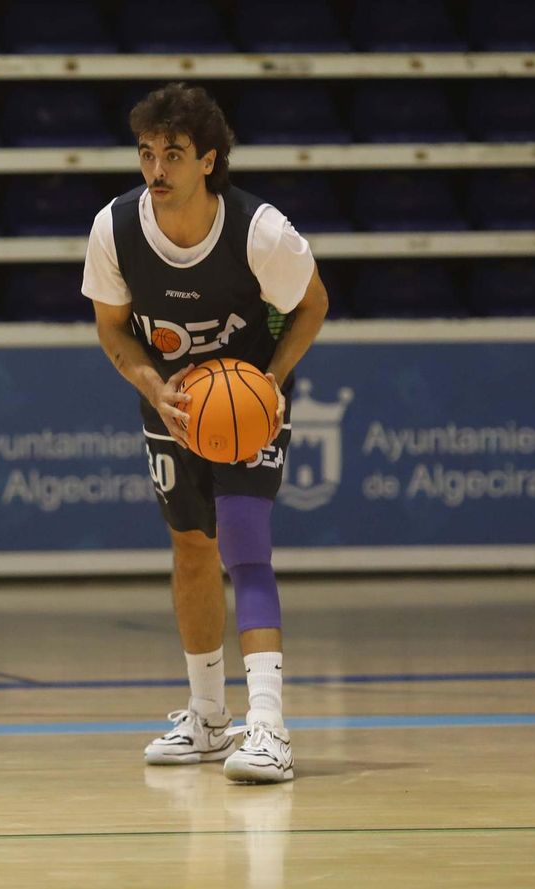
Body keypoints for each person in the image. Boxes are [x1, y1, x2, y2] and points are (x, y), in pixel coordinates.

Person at [81, 83, 329, 784]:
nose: (156, 169)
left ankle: (270, 726)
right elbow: (111, 328)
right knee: (191, 547)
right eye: (146, 153)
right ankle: (209, 716)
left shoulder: (261, 232)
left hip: (247, 400)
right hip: (172, 402)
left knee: (245, 543)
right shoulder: (115, 228)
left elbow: (313, 305)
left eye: (174, 154)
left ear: (208, 160)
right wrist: (152, 386)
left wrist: (272, 380)